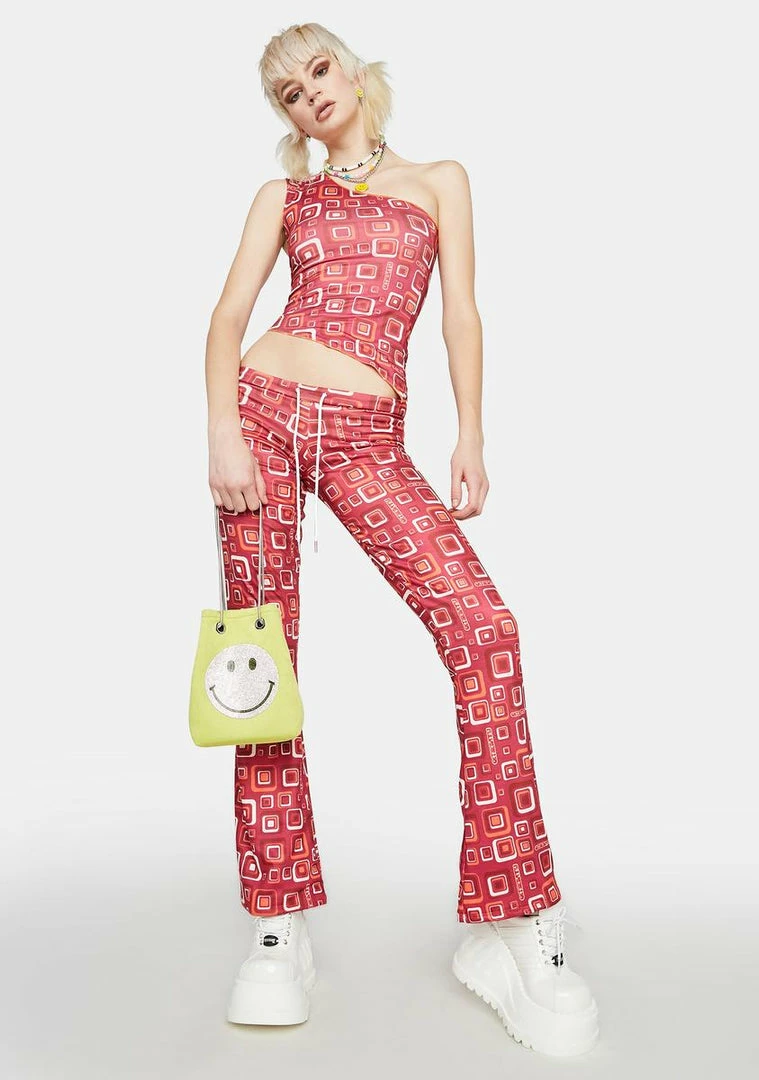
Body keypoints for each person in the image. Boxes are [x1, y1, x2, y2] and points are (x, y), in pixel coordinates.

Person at [204, 21, 599, 1056]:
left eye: (317, 70)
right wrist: (223, 432)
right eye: (288, 92)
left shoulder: (439, 182)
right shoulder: (283, 197)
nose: (310, 95)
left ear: (353, 69)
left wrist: (470, 433)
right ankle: (277, 924)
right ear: (286, 116)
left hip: (369, 435)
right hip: (265, 415)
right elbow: (228, 318)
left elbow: (461, 314)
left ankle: (511, 915)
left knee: (484, 628)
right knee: (260, 666)